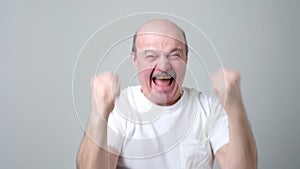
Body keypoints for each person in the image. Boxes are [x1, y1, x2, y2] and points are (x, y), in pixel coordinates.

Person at [77, 19, 257, 169]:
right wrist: (98, 114)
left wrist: (235, 109)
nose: (163, 66)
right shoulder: (120, 107)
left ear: (186, 58)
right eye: (150, 56)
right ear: (135, 60)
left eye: (174, 54)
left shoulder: (207, 108)